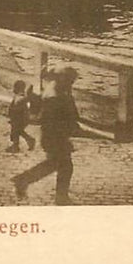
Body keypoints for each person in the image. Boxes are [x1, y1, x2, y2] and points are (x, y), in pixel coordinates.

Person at [11, 67, 81, 205]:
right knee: (65, 166)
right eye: (70, 80)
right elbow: (62, 116)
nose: (71, 83)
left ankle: (24, 180)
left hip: (53, 135)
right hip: (55, 136)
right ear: (64, 80)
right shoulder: (57, 96)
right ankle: (60, 197)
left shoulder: (56, 91)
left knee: (55, 165)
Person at [6, 80, 37, 153]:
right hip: (18, 118)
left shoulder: (21, 98)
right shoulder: (20, 97)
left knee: (16, 131)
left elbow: (18, 109)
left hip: (20, 118)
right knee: (18, 131)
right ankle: (29, 140)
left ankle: (15, 147)